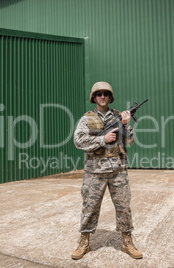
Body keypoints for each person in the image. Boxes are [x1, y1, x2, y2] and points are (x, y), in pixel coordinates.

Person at [71, 81, 143, 260]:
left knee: (124, 207)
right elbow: (78, 141)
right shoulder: (87, 118)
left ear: (110, 97)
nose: (102, 97)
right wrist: (102, 139)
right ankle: (84, 242)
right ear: (94, 97)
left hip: (118, 171)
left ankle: (127, 242)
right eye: (98, 94)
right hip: (94, 172)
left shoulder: (120, 116)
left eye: (105, 94)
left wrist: (126, 125)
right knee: (90, 207)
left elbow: (130, 141)